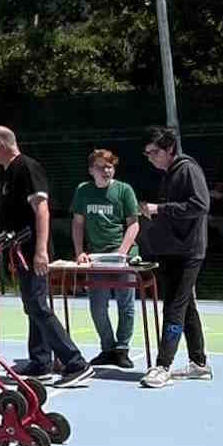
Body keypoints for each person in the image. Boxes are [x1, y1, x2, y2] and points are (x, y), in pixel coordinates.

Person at [0, 126, 93, 387]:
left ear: (1, 145)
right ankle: (41, 361)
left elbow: (41, 210)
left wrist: (41, 251)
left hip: (33, 250)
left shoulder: (26, 168)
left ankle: (75, 362)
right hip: (21, 250)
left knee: (37, 304)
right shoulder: (9, 172)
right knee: (32, 303)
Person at [138, 127, 212, 388]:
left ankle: (163, 366)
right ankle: (199, 364)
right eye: (147, 153)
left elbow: (201, 205)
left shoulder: (187, 169)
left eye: (154, 152)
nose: (151, 157)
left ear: (170, 149)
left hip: (189, 251)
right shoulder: (169, 174)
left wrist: (160, 208)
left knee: (174, 307)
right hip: (172, 250)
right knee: (186, 306)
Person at [71, 149, 141, 369]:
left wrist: (122, 252)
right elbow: (78, 223)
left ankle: (122, 349)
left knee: (125, 303)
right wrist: (80, 251)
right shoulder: (83, 191)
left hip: (121, 254)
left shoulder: (124, 190)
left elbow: (133, 224)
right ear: (91, 170)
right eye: (101, 167)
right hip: (96, 257)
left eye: (110, 166)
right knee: (97, 306)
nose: (106, 170)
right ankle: (108, 347)